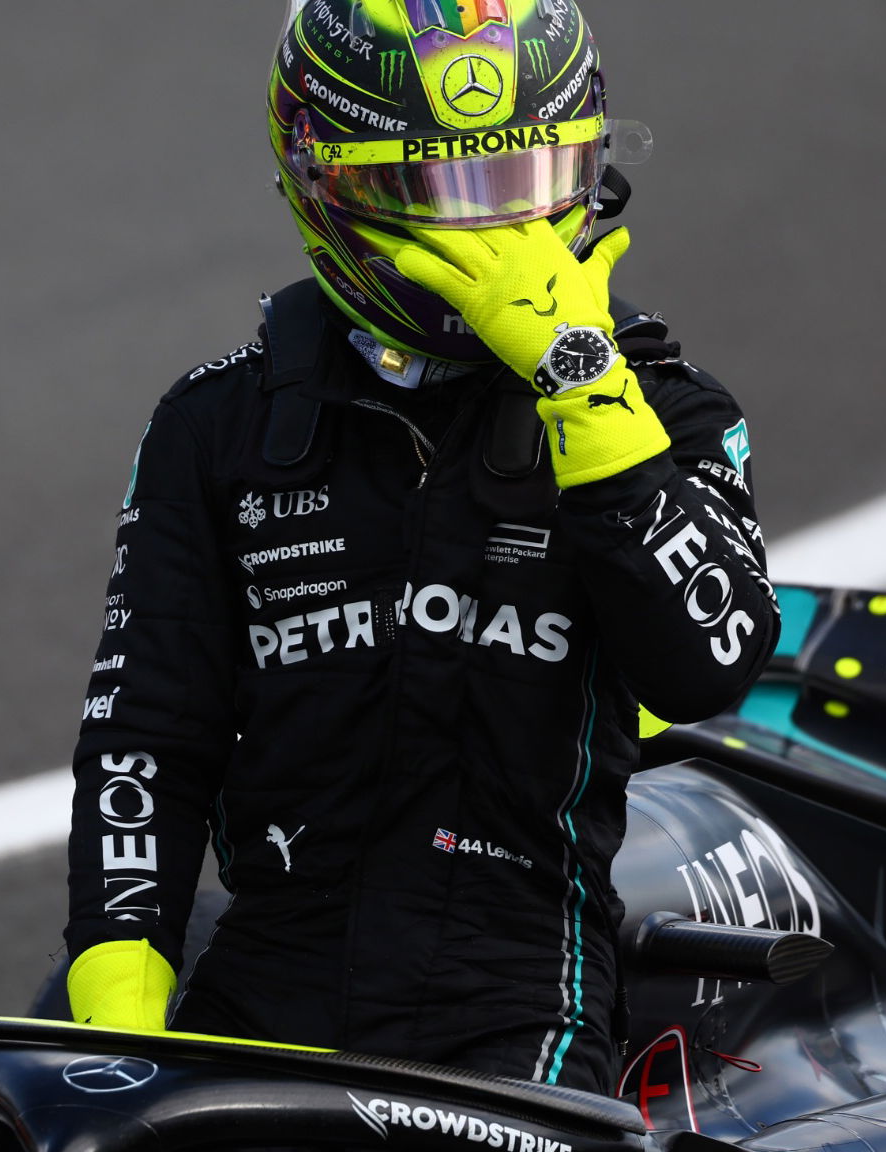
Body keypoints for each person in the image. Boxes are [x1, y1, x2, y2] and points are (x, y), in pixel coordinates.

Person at [61, 0, 778, 1096]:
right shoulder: (216, 425)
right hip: (270, 979)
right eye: (444, 194)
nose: (492, 235)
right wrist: (118, 996)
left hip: (521, 998)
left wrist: (581, 390)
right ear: (329, 186)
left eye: (519, 185)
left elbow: (709, 663)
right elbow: (148, 737)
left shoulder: (662, 413)